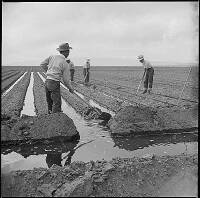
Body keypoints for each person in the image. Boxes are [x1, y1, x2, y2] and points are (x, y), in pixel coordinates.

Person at [40, 43, 74, 114]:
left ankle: (50, 117)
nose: (69, 53)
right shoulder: (65, 63)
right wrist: (70, 88)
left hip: (47, 81)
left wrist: (49, 72)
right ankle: (56, 121)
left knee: (50, 102)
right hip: (54, 83)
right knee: (57, 103)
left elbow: (42, 64)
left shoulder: (52, 56)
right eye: (68, 51)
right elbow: (66, 80)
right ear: (66, 51)